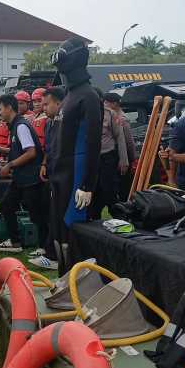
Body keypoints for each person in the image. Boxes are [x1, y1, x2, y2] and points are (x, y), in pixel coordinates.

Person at [48, 38, 102, 270]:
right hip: (60, 174)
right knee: (59, 231)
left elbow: (93, 142)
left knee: (72, 231)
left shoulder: (88, 96)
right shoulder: (69, 96)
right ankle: (63, 281)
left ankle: (76, 286)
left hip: (76, 176)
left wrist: (88, 184)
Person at [0, 94, 48, 254]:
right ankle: (15, 242)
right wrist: (4, 151)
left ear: (9, 108)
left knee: (36, 213)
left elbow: (31, 152)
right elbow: (21, 149)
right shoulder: (15, 125)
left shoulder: (21, 126)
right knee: (6, 204)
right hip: (21, 178)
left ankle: (44, 247)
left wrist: (10, 165)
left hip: (30, 178)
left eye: (0, 109)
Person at [29, 87, 65, 270]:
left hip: (62, 176)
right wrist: (44, 164)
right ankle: (48, 249)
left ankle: (54, 256)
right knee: (48, 212)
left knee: (57, 215)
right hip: (50, 172)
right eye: (41, 104)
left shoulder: (65, 123)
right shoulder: (50, 123)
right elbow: (48, 148)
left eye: (46, 104)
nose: (43, 108)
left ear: (58, 103)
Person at [89, 92, 129, 219]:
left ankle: (120, 217)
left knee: (109, 191)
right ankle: (94, 219)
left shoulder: (110, 114)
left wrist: (124, 160)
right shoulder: (84, 114)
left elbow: (120, 137)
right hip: (91, 160)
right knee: (94, 192)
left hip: (107, 158)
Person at [103, 92, 137, 200]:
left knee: (124, 189)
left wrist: (131, 158)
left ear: (115, 104)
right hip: (114, 157)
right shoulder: (111, 115)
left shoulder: (122, 119)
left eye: (107, 102)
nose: (104, 104)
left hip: (121, 157)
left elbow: (128, 141)